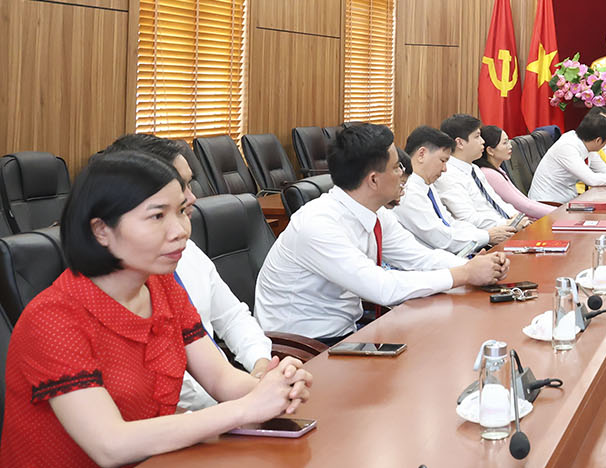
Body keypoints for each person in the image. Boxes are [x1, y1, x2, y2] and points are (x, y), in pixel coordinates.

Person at [0, 151, 312, 468]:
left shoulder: (161, 286)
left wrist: (272, 389)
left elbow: (220, 379)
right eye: (157, 216)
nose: (181, 230)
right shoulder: (53, 318)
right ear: (101, 230)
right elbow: (110, 445)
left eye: (182, 211)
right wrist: (245, 409)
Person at [254, 123, 509, 343]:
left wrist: (477, 267)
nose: (403, 174)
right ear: (373, 180)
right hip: (302, 348)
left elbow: (418, 257)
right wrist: (464, 274)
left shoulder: (375, 212)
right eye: (397, 167)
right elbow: (382, 287)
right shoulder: (318, 225)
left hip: (347, 334)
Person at [98, 134, 275, 412]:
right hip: (183, 421)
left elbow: (230, 323)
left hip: (216, 410)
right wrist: (244, 405)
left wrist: (264, 375)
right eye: (178, 189)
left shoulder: (180, 260)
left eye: (189, 185)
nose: (191, 197)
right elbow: (111, 435)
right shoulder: (71, 309)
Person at [393, 126, 510, 255]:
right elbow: (441, 239)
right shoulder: (407, 192)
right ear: (422, 154)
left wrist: (485, 234)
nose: (445, 169)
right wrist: (487, 236)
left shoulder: (427, 186)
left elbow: (449, 223)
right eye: (442, 161)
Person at [527, 111, 606, 205]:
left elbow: (603, 169)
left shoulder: (587, 143)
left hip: (568, 200)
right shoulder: (567, 147)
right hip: (548, 203)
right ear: (598, 140)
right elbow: (591, 179)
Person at [433, 114, 518, 227]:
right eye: (477, 136)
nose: (482, 141)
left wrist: (517, 217)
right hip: (488, 233)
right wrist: (508, 223)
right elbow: (468, 218)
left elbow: (496, 201)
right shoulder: (447, 175)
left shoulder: (474, 168)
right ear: (460, 143)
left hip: (505, 225)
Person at [474, 125, 552, 220]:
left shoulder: (496, 169)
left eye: (508, 141)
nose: (510, 146)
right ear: (490, 150)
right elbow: (524, 206)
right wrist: (557, 212)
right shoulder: (489, 174)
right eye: (505, 143)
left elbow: (524, 201)